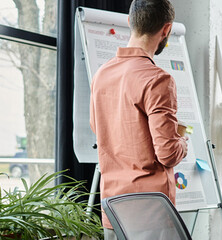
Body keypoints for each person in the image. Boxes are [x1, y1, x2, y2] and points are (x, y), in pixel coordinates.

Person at [89, 0, 188, 239]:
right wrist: (182, 142)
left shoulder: (101, 74)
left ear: (129, 22)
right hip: (151, 213)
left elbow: (98, 129)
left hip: (113, 209)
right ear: (166, 29)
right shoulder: (157, 79)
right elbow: (167, 153)